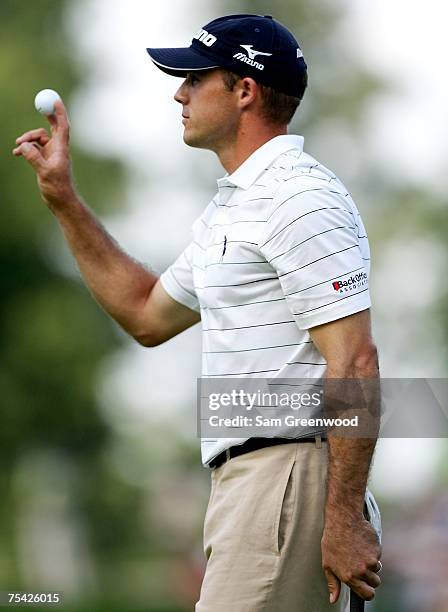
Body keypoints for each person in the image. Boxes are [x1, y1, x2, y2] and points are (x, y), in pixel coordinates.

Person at [13, 13, 382, 612]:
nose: (179, 92)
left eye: (195, 76)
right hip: (253, 483)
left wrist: (341, 516)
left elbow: (356, 360)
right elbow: (145, 315)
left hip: (288, 478)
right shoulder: (235, 210)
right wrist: (64, 201)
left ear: (244, 90)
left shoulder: (298, 196)